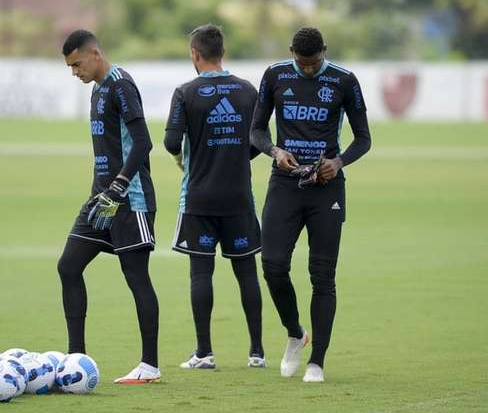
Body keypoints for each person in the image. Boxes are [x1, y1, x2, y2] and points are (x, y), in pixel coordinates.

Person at [250, 27, 371, 382]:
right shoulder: (274, 75)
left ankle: (317, 361)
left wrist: (340, 162)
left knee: (322, 276)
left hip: (325, 189)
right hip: (285, 183)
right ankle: (294, 332)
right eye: (302, 63)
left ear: (325, 52)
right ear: (291, 52)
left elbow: (363, 138)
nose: (307, 69)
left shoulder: (344, 80)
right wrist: (274, 150)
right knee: (272, 265)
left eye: (314, 63)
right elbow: (256, 130)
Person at [58, 29, 160, 384]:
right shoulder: (97, 90)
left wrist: (119, 185)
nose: (75, 73)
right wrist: (103, 190)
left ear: (95, 53)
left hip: (129, 200)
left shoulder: (121, 85)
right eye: (70, 68)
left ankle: (150, 366)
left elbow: (144, 142)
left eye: (77, 64)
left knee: (136, 278)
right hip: (100, 200)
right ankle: (76, 360)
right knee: (68, 266)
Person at [164, 24, 266, 369]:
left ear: (195, 53)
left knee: (200, 273)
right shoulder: (247, 91)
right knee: (247, 272)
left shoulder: (185, 92)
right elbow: (260, 140)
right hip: (238, 197)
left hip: (199, 198)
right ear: (222, 52)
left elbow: (169, 142)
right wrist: (235, 158)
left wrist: (186, 159)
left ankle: (204, 353)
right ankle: (257, 352)